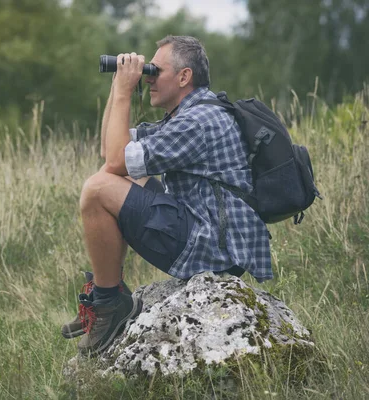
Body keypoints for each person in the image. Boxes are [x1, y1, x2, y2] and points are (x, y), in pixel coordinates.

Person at [61, 35, 272, 356]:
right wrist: (119, 84)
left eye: (155, 71)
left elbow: (114, 158)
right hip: (209, 233)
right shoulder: (189, 113)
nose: (148, 77)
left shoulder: (199, 121)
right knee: (116, 175)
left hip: (215, 251)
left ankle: (108, 303)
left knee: (96, 190)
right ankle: (110, 293)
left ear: (184, 76)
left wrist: (123, 92)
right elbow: (111, 150)